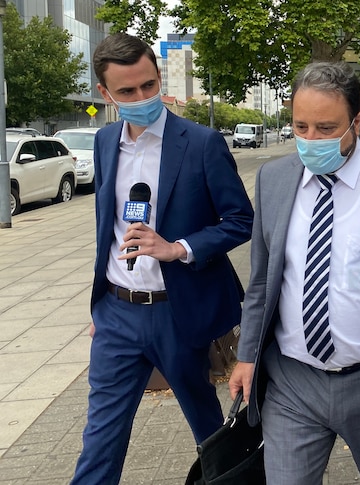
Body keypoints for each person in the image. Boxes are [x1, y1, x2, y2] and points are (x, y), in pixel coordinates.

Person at [229, 61, 360, 484]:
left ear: (356, 122)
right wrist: (247, 354)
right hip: (292, 380)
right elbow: (262, 279)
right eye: (301, 127)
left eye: (326, 128)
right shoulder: (273, 178)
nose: (311, 140)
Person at [72, 33, 254, 484]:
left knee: (212, 433)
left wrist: (178, 248)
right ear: (106, 94)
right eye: (128, 92)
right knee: (99, 440)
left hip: (180, 314)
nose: (142, 98)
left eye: (149, 85)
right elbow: (106, 226)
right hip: (116, 314)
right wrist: (103, 299)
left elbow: (240, 220)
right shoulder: (104, 140)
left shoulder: (202, 142)